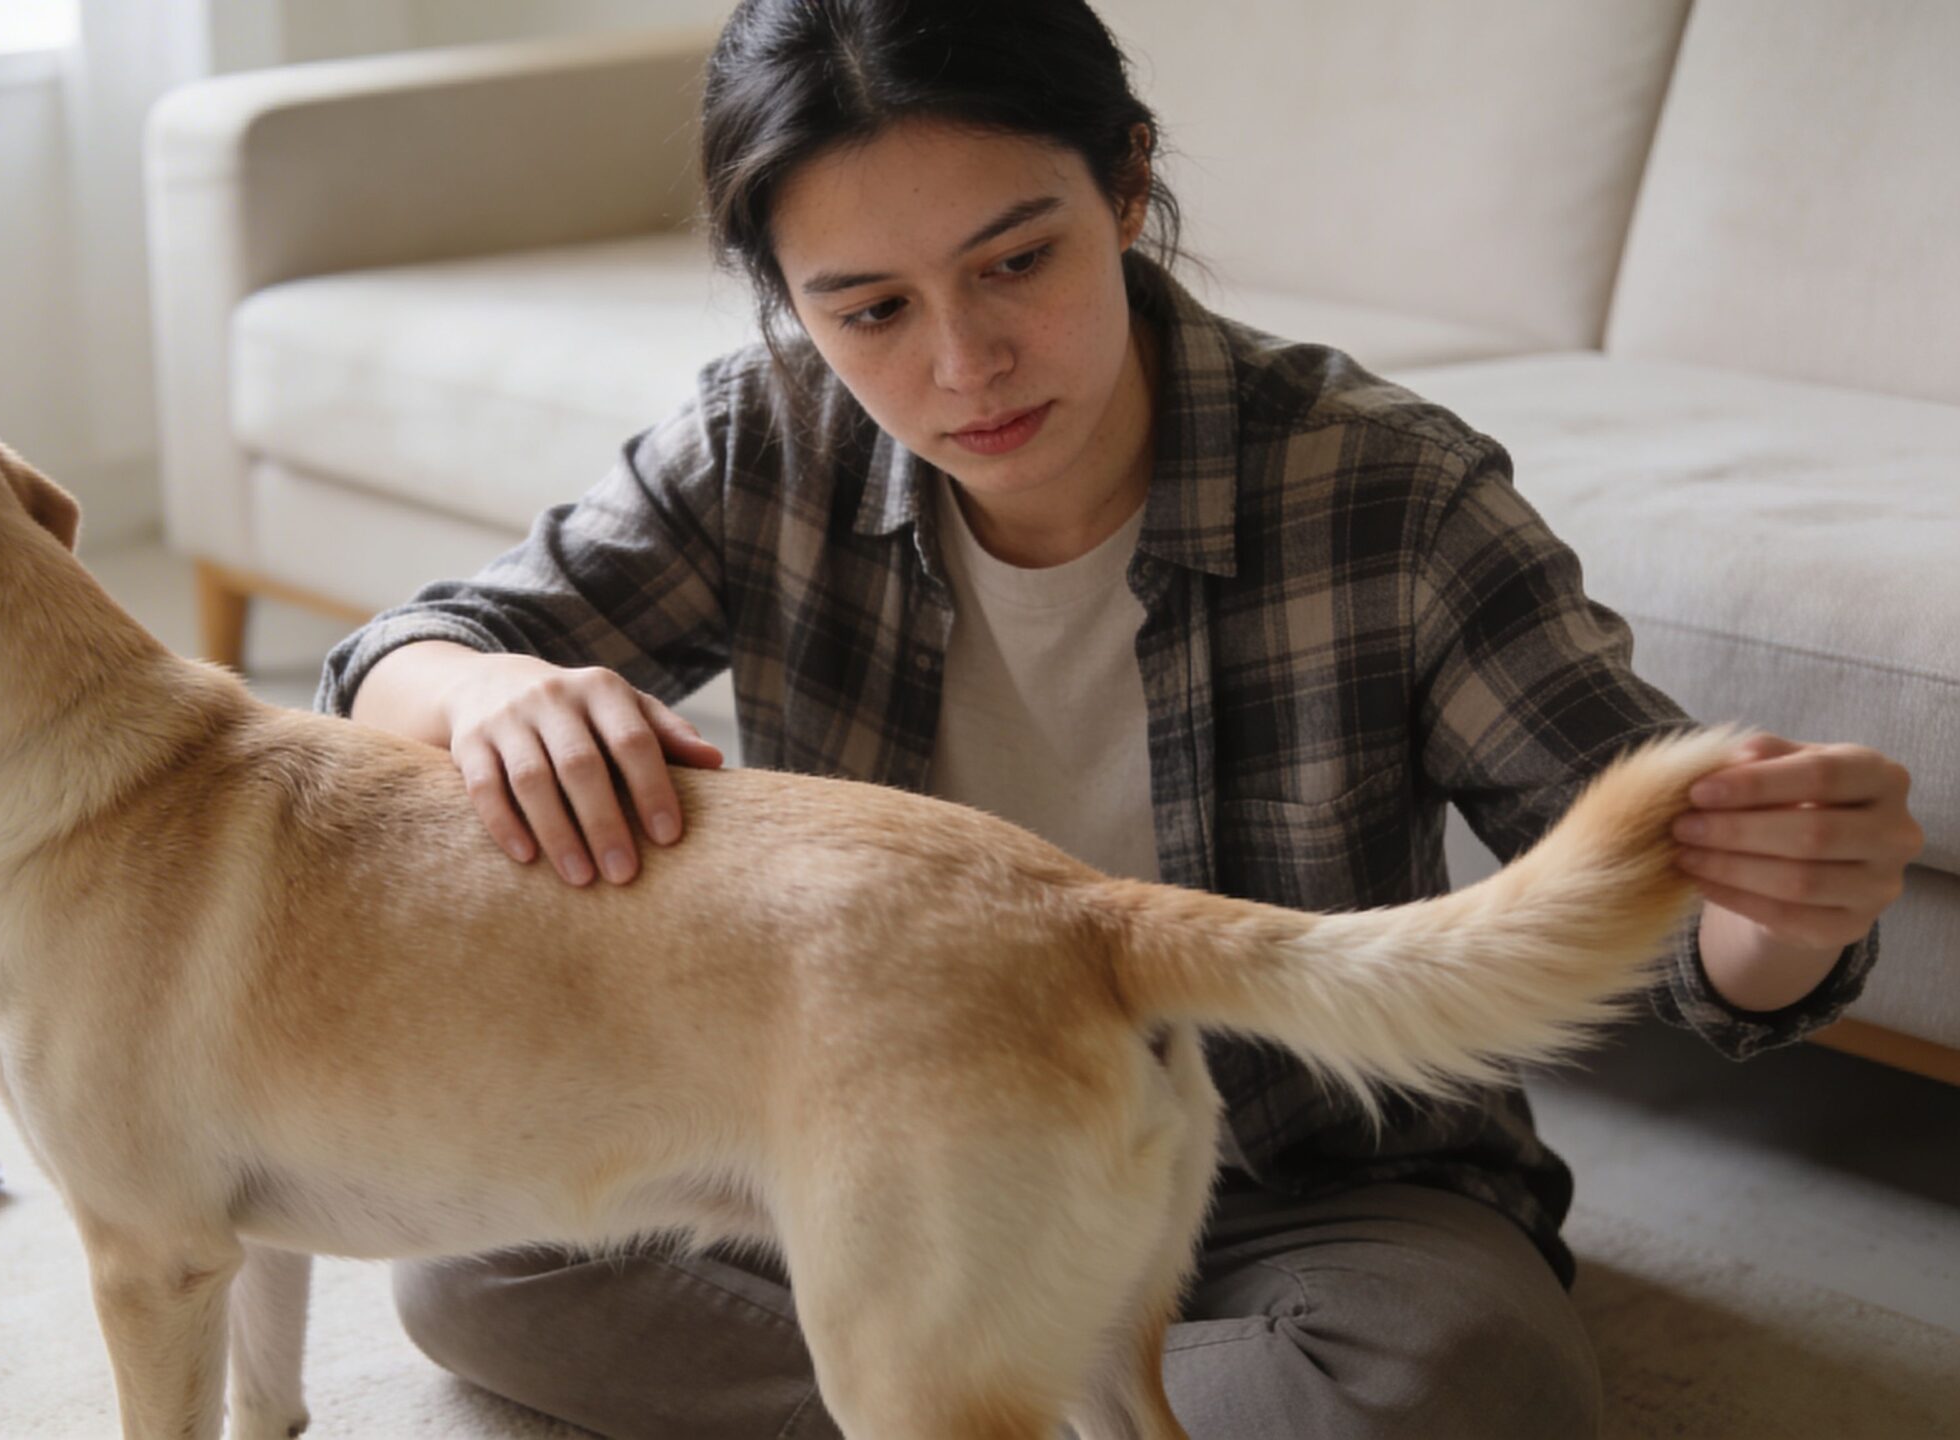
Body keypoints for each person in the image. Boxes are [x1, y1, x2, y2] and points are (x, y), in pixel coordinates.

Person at [311, 1, 1925, 1435]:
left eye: (1020, 260)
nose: (966, 363)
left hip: (1305, 1175)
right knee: (478, 1271)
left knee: (1448, 1384)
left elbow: (1675, 930)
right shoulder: (763, 445)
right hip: (877, 1148)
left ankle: (955, 1392)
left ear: (1128, 185)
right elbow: (404, 651)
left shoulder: (1391, 491)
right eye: (867, 309)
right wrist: (488, 691)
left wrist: (1775, 908)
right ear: (787, 303)